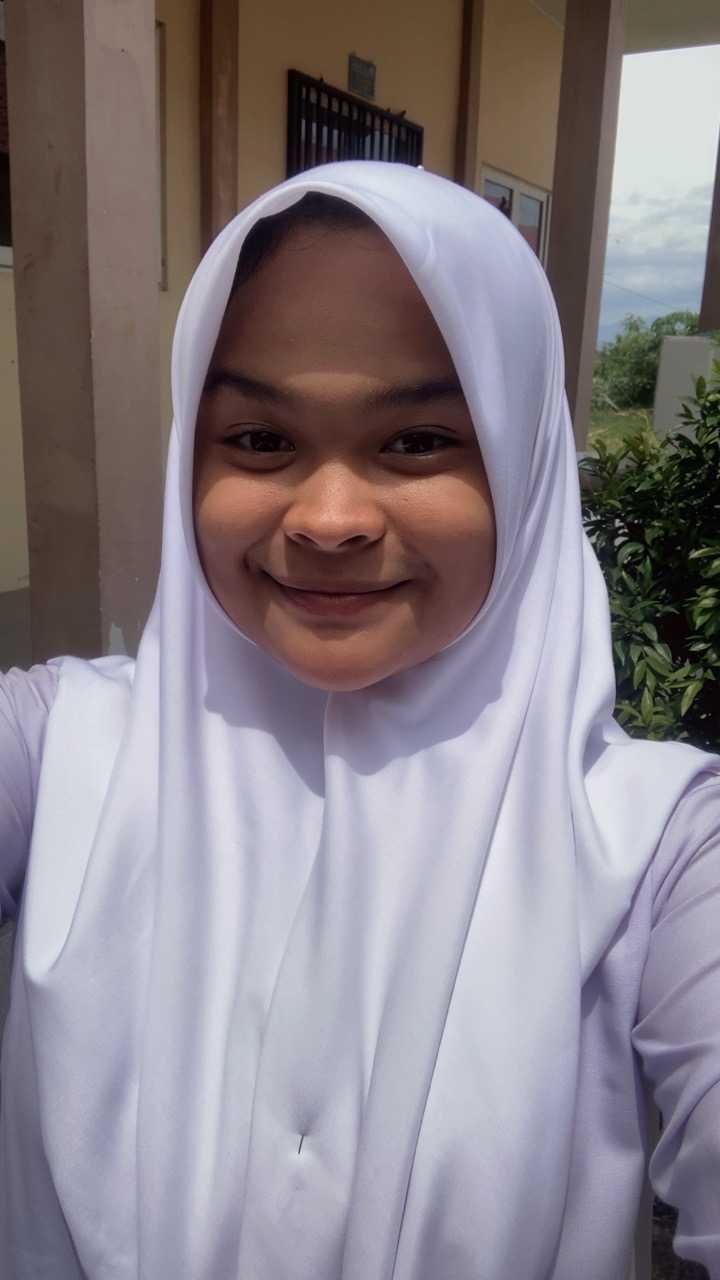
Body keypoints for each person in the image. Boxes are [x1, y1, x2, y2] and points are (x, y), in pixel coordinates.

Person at [0, 161, 718, 1280]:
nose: (329, 519)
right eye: (258, 440)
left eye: (418, 440)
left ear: (523, 461)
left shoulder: (658, 852)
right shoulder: (59, 753)